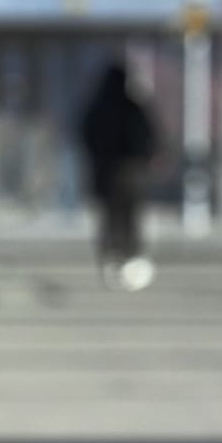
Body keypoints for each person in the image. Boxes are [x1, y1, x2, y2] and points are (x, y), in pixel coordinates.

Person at [77, 61, 158, 290]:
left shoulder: (97, 107)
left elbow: (86, 136)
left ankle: (111, 261)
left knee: (110, 218)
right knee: (131, 219)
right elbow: (148, 137)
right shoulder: (134, 107)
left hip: (105, 173)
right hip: (131, 172)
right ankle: (132, 260)